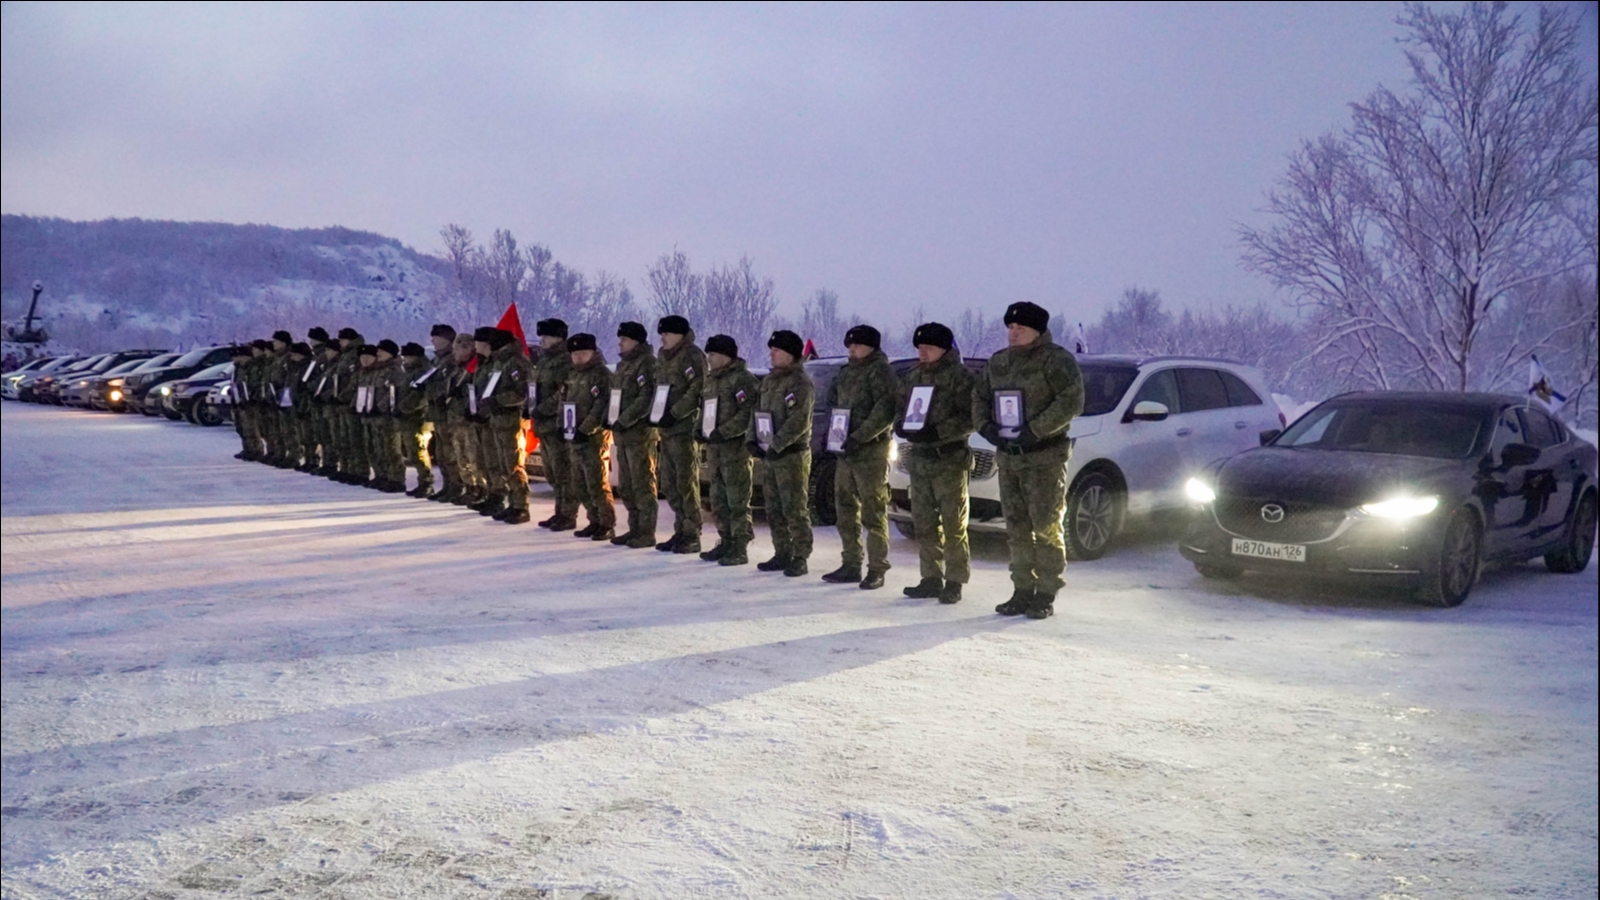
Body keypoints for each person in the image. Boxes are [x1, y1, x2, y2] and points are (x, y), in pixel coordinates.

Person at [971, 301, 1085, 619]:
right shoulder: (999, 362)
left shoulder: (1057, 360)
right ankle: (1022, 589)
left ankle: (1046, 592)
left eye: (1020, 327)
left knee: (1046, 525)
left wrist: (1035, 429)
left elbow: (1072, 401)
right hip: (1009, 458)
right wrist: (986, 427)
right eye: (1010, 327)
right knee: (1017, 528)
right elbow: (979, 396)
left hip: (1044, 457)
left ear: (1037, 330)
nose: (1013, 332)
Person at [895, 322, 976, 604]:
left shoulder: (961, 377)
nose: (923, 352)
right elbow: (900, 407)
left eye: (929, 347)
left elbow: (971, 416)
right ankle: (930, 577)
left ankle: (954, 580)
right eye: (919, 347)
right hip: (920, 460)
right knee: (925, 523)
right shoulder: (912, 376)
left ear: (943, 348)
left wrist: (939, 432)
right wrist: (901, 425)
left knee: (954, 524)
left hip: (949, 459)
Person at [818, 325, 899, 589]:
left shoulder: (880, 372)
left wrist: (859, 436)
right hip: (845, 451)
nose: (852, 349)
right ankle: (851, 562)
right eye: (849, 345)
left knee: (873, 511)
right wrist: (833, 434)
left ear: (871, 346)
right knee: (845, 509)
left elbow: (884, 410)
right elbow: (833, 405)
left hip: (870, 451)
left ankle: (877, 567)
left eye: (857, 345)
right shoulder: (845, 373)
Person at [751, 329, 814, 577]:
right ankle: (782, 552)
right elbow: (756, 412)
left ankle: (800, 555)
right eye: (771, 350)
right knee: (774, 508)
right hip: (770, 456)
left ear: (790, 354)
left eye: (776, 351)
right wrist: (752, 439)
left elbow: (799, 421)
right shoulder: (768, 381)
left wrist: (776, 444)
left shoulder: (801, 383)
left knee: (794, 508)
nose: (771, 354)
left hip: (791, 456)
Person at [697, 334, 760, 566]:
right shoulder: (711, 380)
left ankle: (739, 546)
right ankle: (725, 540)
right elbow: (704, 409)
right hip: (715, 450)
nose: (709, 359)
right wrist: (699, 428)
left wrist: (724, 431)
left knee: (737, 500)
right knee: (718, 498)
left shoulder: (743, 380)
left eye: (712, 354)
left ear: (725, 355)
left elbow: (747, 413)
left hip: (735, 451)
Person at [652, 315, 708, 554]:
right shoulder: (663, 358)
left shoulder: (693, 356)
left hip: (684, 430)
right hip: (666, 430)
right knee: (669, 484)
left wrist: (675, 413)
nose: (662, 338)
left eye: (666, 333)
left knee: (686, 484)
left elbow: (697, 390)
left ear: (679, 334)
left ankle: (691, 533)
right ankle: (680, 530)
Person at [609, 321, 659, 548]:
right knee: (627, 486)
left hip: (639, 435)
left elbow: (646, 397)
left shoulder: (647, 364)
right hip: (622, 435)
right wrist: (609, 418)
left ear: (636, 341)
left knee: (642, 484)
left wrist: (624, 419)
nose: (620, 343)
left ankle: (646, 532)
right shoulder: (622, 366)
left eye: (625, 339)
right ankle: (634, 528)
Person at [563, 333, 617, 540]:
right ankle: (593, 519)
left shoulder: (601, 375)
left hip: (593, 437)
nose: (578, 357)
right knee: (580, 483)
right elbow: (564, 400)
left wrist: (586, 428)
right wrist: (564, 426)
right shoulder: (573, 374)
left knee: (596, 482)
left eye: (583, 353)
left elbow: (601, 405)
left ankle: (606, 522)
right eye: (575, 353)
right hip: (574, 435)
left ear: (592, 352)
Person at [480, 327, 536, 523]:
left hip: (512, 419)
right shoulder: (499, 362)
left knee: (513, 465)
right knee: (503, 465)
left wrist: (498, 401)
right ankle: (513, 503)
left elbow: (522, 392)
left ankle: (521, 506)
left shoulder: (516, 362)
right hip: (497, 419)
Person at [530, 318, 578, 530]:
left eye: (546, 336)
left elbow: (564, 391)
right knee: (551, 472)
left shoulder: (565, 361)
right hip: (544, 424)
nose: (542, 340)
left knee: (563, 472)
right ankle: (559, 512)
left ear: (558, 338)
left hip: (557, 423)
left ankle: (568, 514)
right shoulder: (544, 361)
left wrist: (544, 408)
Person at [445, 333, 486, 506]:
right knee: (461, 456)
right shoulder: (456, 368)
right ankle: (469, 487)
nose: (454, 352)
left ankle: (482, 488)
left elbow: (478, 393)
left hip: (470, 421)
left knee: (474, 456)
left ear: (469, 349)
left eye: (458, 349)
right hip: (456, 420)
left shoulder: (475, 368)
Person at [396, 342, 435, 497]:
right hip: (409, 418)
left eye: (408, 357)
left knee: (419, 452)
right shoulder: (409, 372)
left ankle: (427, 483)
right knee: (413, 453)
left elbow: (420, 396)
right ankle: (423, 482)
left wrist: (404, 407)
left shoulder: (423, 372)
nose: (405, 360)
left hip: (419, 418)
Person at [330, 327, 367, 483]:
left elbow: (355, 381)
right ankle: (347, 468)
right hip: (342, 402)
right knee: (344, 438)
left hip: (351, 402)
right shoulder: (344, 355)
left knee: (355, 439)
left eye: (343, 340)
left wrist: (348, 398)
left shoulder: (356, 355)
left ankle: (359, 471)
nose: (340, 342)